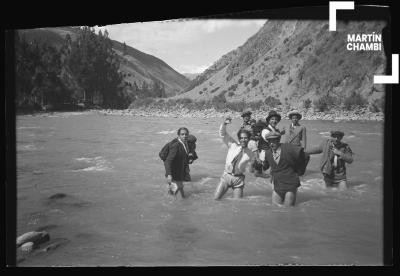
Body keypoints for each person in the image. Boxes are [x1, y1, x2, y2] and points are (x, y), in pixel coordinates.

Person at [214, 117, 256, 200]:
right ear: (239, 139)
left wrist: (253, 163)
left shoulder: (251, 152)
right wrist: (224, 124)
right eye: (241, 138)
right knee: (216, 199)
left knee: (237, 205)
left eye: (245, 138)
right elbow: (223, 134)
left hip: (238, 179)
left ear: (249, 139)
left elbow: (252, 170)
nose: (243, 140)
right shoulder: (233, 144)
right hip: (226, 176)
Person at [263, 131, 309, 206]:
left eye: (274, 141)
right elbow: (266, 166)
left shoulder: (288, 148)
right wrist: (259, 165)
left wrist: (300, 171)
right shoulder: (268, 153)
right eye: (269, 141)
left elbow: (306, 156)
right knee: (275, 209)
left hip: (290, 184)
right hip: (278, 185)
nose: (271, 143)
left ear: (278, 140)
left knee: (288, 210)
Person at [164, 127, 192, 198]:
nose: (184, 136)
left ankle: (181, 200)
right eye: (182, 134)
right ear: (178, 135)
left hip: (180, 172)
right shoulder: (176, 146)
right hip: (174, 173)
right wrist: (169, 174)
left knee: (179, 189)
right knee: (175, 193)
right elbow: (167, 161)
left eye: (186, 134)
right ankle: (171, 205)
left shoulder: (185, 143)